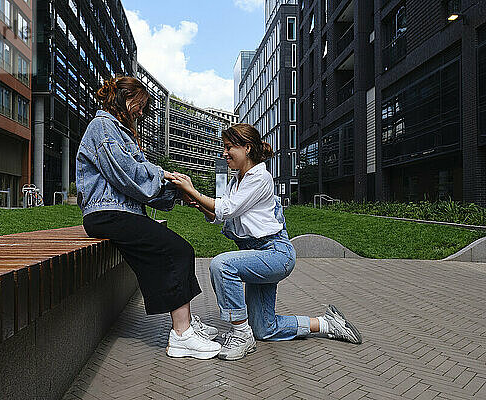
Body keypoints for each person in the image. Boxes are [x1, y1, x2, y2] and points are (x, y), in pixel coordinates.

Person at [170, 123, 362, 361]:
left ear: (247, 148)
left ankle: (241, 334)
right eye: (224, 148)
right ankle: (326, 324)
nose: (224, 153)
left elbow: (227, 209)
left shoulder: (260, 176)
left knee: (221, 265)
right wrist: (199, 205)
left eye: (230, 147)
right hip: (256, 254)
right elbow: (222, 215)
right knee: (264, 328)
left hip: (275, 253)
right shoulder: (236, 181)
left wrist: (193, 189)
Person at [76, 76, 220, 359]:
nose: (141, 112)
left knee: (177, 250)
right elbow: (128, 173)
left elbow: (137, 182)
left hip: (119, 212)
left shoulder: (118, 131)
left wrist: (178, 194)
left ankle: (186, 325)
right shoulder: (102, 126)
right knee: (176, 249)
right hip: (106, 213)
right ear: (123, 99)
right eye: (139, 106)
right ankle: (181, 335)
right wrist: (165, 175)